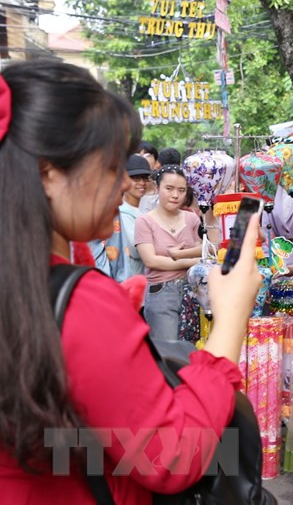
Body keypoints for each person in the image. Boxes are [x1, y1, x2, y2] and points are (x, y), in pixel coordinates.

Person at [0, 60, 262, 502]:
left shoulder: (28, 290)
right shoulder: (78, 302)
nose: (126, 184)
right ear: (48, 173)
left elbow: (59, 446)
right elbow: (173, 455)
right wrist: (231, 320)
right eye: (109, 167)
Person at [135, 165, 203, 341]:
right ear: (157, 188)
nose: (175, 195)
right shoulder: (144, 221)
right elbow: (151, 261)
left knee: (192, 346)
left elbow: (205, 252)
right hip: (161, 293)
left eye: (181, 190)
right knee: (167, 350)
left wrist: (179, 255)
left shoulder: (192, 218)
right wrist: (189, 260)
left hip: (193, 290)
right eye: (169, 189)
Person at [88, 154, 151, 282]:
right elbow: (136, 250)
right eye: (136, 178)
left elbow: (116, 253)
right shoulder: (121, 212)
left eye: (145, 178)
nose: (142, 183)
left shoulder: (115, 210)